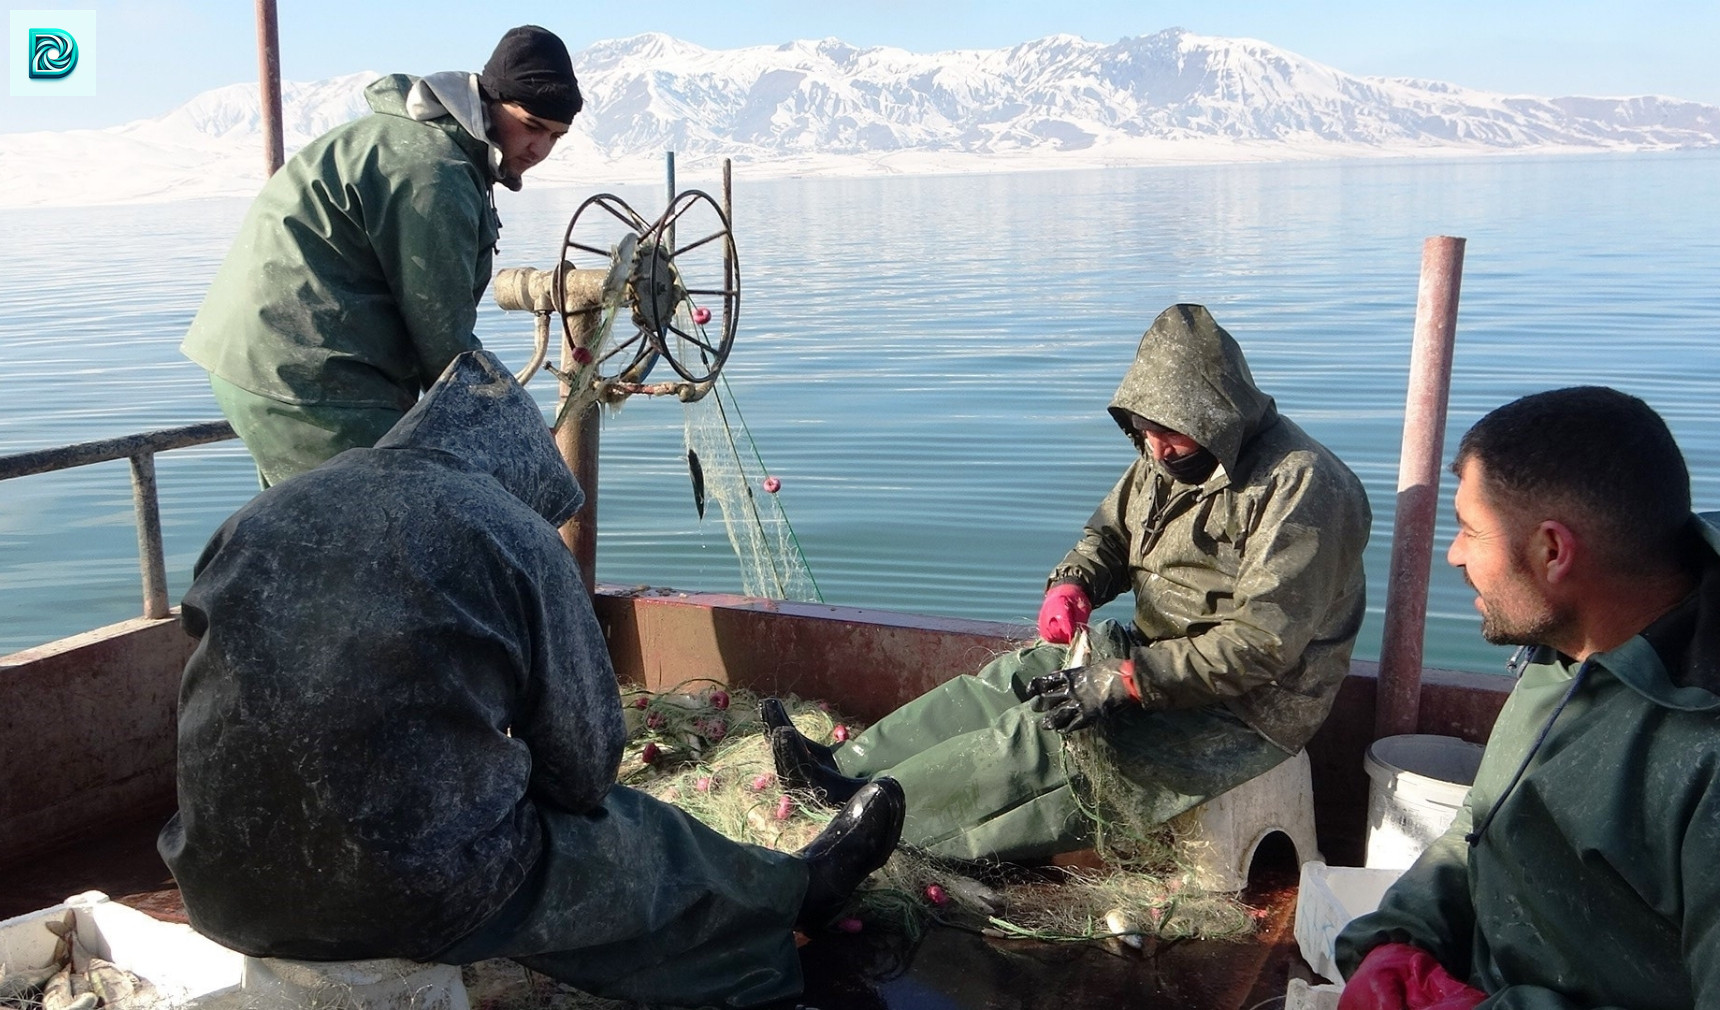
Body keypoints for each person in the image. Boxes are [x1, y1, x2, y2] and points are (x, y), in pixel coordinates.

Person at [158, 350, 906, 1008]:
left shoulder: (261, 512)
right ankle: (791, 902)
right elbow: (582, 774)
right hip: (403, 891)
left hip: (214, 880)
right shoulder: (513, 534)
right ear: (520, 473)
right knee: (623, 844)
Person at [765, 303, 1373, 861]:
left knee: (1039, 741)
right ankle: (842, 770)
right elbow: (1109, 536)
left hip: (1246, 709)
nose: (1156, 450)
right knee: (1014, 679)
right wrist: (1073, 584)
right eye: (1144, 430)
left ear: (1217, 414)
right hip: (1155, 658)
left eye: (1171, 432)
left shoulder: (1302, 487)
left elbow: (1260, 646)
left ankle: (872, 821)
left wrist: (1127, 680)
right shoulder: (1167, 457)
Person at [1334, 387, 1720, 1010]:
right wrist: (1399, 938)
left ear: (1551, 551)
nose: (1454, 554)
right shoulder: (1572, 639)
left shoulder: (1702, 753)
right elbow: (1479, 827)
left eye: (1467, 530)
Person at [182, 25, 580, 486]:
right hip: (310, 377)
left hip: (265, 359)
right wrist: (518, 432)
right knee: (380, 527)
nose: (540, 149)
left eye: (556, 137)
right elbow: (442, 339)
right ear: (489, 102)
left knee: (308, 531)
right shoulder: (433, 172)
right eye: (531, 126)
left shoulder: (409, 141)